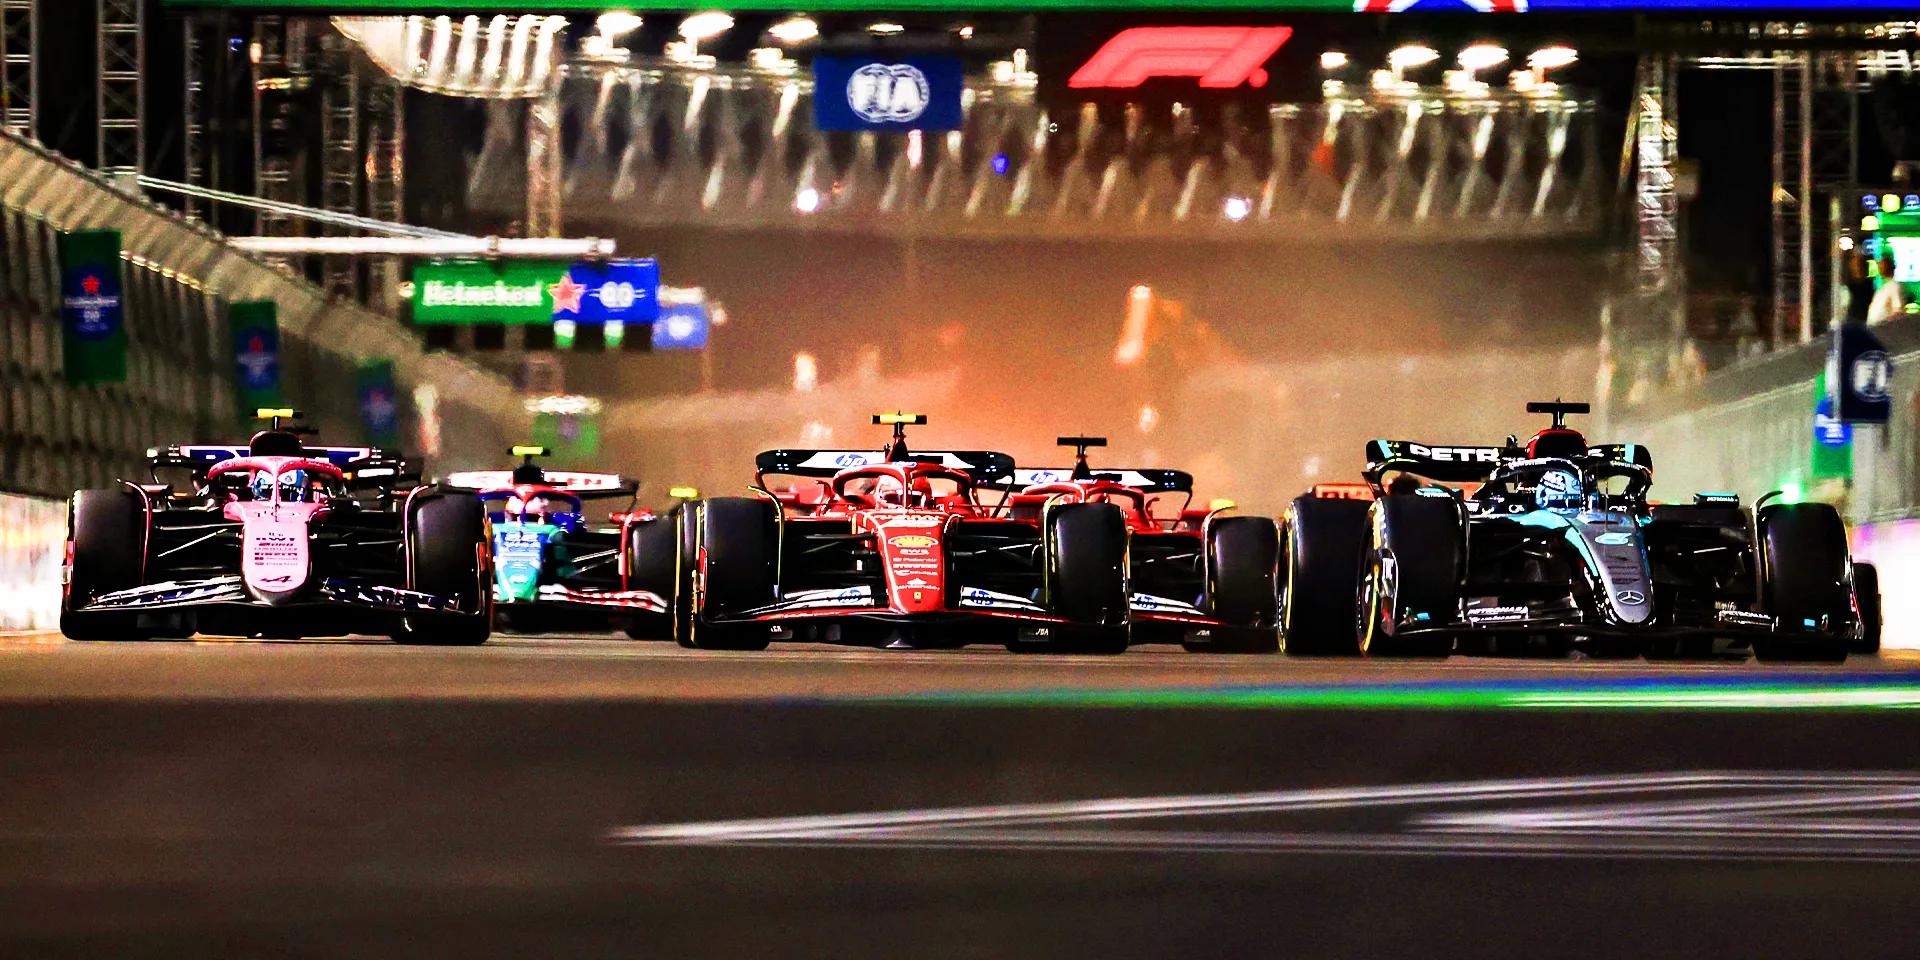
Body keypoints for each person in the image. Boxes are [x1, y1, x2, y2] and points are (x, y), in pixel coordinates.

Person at [1867, 251, 1911, 325]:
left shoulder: (1895, 286)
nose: (1879, 267)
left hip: (1884, 331)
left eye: (1882, 264)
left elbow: (1898, 311)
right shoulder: (1883, 288)